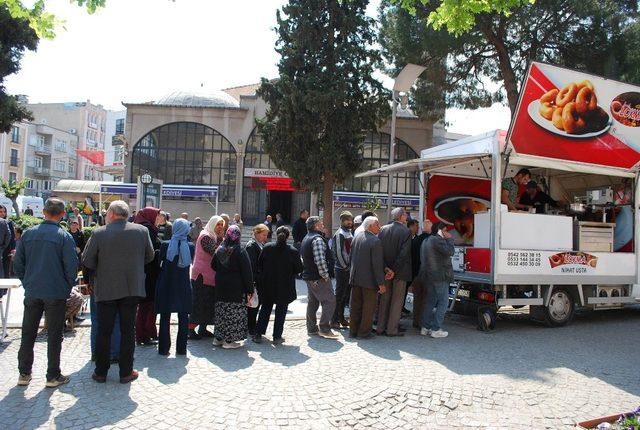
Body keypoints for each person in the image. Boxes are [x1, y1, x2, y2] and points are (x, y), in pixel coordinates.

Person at [83, 200, 155, 384]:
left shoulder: (99, 233)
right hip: (132, 288)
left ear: (113, 214)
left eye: (107, 213)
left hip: (106, 289)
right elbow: (150, 256)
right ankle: (125, 372)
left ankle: (100, 372)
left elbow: (88, 261)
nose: (106, 216)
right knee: (127, 331)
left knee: (104, 331)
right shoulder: (141, 231)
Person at [15, 198, 78, 388]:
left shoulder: (28, 234)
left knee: (28, 333)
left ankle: (24, 373)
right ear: (62, 214)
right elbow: (71, 266)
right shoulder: (64, 236)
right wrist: (66, 287)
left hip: (34, 289)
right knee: (54, 334)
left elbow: (18, 263)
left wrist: (27, 282)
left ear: (43, 212)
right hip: (55, 292)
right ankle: (52, 375)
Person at [254, 226, 302, 344]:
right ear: (288, 236)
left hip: (268, 284)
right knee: (281, 311)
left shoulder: (267, 248)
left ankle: (258, 334)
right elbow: (299, 268)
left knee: (265, 309)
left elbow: (259, 264)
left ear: (276, 234)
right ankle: (277, 336)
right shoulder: (293, 251)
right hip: (285, 286)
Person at [155, 218, 195, 356]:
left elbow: (160, 263)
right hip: (183, 284)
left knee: (165, 317)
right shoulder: (190, 246)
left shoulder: (166, 245)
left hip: (167, 283)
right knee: (183, 317)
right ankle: (181, 349)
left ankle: (163, 349)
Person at [211, 226, 253, 349]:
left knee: (221, 312)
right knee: (233, 313)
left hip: (220, 286)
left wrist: (222, 271)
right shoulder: (240, 251)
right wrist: (250, 289)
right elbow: (247, 272)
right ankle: (229, 341)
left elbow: (213, 265)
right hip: (235, 288)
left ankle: (218, 338)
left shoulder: (220, 249)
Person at [300, 216, 338, 339]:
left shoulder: (307, 237)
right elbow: (320, 260)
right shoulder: (317, 239)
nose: (323, 225)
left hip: (310, 276)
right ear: (316, 226)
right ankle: (324, 328)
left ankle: (311, 328)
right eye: (321, 223)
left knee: (313, 302)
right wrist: (325, 276)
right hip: (318, 277)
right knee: (330, 301)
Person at [348, 216, 386, 339]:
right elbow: (377, 264)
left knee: (355, 306)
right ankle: (363, 333)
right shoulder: (375, 241)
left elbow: (351, 258)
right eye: (377, 224)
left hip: (355, 278)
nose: (379, 227)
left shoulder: (357, 237)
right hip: (369, 281)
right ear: (370, 226)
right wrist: (381, 283)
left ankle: (353, 331)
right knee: (368, 308)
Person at [376, 207, 411, 337]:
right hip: (399, 272)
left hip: (385, 271)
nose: (406, 217)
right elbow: (404, 254)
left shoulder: (383, 229)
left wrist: (386, 268)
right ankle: (391, 329)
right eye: (405, 214)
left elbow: (378, 252)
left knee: (384, 299)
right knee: (397, 301)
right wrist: (394, 270)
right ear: (401, 216)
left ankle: (380, 327)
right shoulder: (406, 232)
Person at [189, 215, 225, 339]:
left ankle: (203, 329)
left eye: (222, 224)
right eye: (218, 224)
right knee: (199, 302)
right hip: (202, 275)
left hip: (210, 275)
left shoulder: (213, 236)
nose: (220, 227)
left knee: (209, 303)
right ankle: (190, 329)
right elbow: (216, 252)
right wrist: (222, 239)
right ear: (212, 224)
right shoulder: (206, 236)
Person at [420, 222, 455, 338]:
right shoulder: (438, 240)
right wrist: (450, 240)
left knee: (430, 301)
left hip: (429, 276)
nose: (447, 233)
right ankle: (436, 329)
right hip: (440, 276)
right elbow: (450, 252)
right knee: (443, 302)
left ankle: (425, 327)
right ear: (440, 230)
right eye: (445, 230)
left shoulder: (426, 240)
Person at [133, 207, 161, 346]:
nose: (158, 219)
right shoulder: (147, 230)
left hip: (144, 272)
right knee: (145, 306)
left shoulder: (142, 227)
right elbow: (150, 253)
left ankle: (145, 333)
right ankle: (142, 335)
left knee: (145, 306)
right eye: (157, 216)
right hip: (148, 272)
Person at [244, 224, 269, 336]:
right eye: (264, 235)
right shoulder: (251, 246)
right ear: (257, 234)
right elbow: (252, 266)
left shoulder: (259, 244)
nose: (265, 237)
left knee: (256, 304)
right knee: (253, 306)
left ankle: (252, 326)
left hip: (259, 280)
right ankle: (251, 327)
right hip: (255, 281)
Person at [331, 211, 353, 329]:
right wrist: (345, 266)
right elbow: (338, 252)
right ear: (342, 221)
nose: (350, 222)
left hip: (348, 269)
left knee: (345, 295)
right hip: (342, 269)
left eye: (351, 219)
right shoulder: (340, 234)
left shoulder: (349, 232)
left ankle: (341, 318)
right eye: (347, 220)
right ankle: (334, 319)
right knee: (339, 295)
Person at [408, 219, 432, 328]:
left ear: (422, 228)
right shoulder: (432, 241)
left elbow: (411, 258)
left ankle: (416, 321)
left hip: (416, 274)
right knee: (427, 300)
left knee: (417, 300)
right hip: (427, 274)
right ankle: (424, 323)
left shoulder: (415, 240)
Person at [0, 204, 16, 278]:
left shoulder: (9, 222)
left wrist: (13, 249)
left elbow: (12, 237)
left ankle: (5, 288)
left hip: (6, 249)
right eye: (0, 212)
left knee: (6, 268)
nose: (3, 213)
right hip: (3, 247)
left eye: (4, 212)